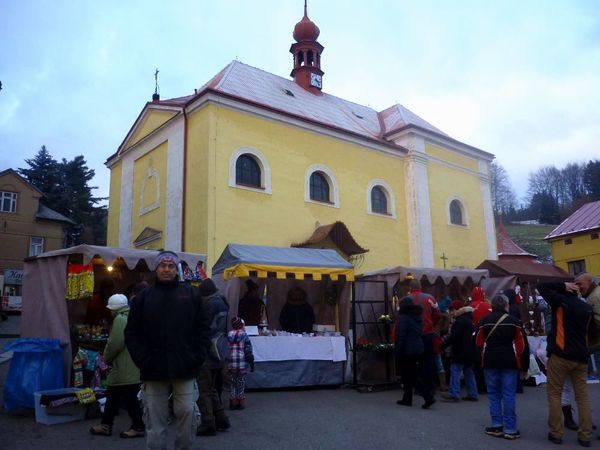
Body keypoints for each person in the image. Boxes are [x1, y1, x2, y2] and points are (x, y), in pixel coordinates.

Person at [125, 250, 210, 450]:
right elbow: (132, 333)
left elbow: (203, 330)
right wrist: (142, 359)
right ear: (156, 268)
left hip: (185, 367)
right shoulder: (143, 298)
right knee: (155, 421)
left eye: (171, 266)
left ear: (176, 269)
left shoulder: (191, 295)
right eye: (163, 265)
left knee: (188, 413)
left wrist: (196, 357)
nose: (167, 269)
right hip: (153, 369)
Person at [538, 281, 593, 447]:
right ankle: (585, 435)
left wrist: (562, 285)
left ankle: (556, 433)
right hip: (581, 356)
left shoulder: (560, 302)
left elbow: (542, 286)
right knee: (582, 397)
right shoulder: (586, 308)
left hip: (561, 354)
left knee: (554, 394)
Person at [89, 294, 145, 438]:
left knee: (127, 396)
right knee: (117, 395)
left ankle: (136, 426)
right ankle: (107, 424)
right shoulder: (133, 316)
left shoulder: (120, 319)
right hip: (131, 363)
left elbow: (115, 343)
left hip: (123, 365)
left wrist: (106, 357)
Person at [475, 294, 529, 441]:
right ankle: (511, 429)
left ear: (492, 305)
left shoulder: (484, 321)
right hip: (509, 361)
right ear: (506, 305)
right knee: (508, 395)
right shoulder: (515, 322)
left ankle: (497, 425)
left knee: (493, 395)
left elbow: (478, 342)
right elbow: (522, 347)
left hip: (490, 361)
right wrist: (524, 368)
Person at [196, 278, 231, 437]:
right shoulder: (222, 302)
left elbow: (204, 329)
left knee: (204, 390)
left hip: (207, 352)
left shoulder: (209, 305)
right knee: (212, 389)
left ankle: (208, 423)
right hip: (219, 351)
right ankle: (222, 419)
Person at [394, 296, 435, 409]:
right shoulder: (417, 317)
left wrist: (398, 351)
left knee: (410, 375)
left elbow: (401, 336)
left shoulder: (403, 318)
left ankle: (428, 397)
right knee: (410, 375)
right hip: (418, 347)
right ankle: (407, 398)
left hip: (408, 350)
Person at [441, 300, 479, 402]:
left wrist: (443, 345)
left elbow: (454, 337)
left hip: (461, 350)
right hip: (470, 350)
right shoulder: (468, 319)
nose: (451, 313)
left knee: (455, 369)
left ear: (458, 310)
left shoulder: (460, 321)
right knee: (468, 371)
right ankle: (473, 393)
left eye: (452, 310)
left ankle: (454, 393)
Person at [408, 279, 440, 400]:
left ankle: (418, 387)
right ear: (421, 287)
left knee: (414, 363)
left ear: (410, 288)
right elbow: (437, 313)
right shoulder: (430, 298)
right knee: (428, 363)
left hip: (413, 336)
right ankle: (429, 387)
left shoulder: (406, 300)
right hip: (427, 335)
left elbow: (399, 316)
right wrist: (432, 324)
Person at [227, 317, 255, 410]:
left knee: (232, 382)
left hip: (231, 363)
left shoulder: (229, 334)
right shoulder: (244, 335)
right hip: (241, 363)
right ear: (241, 325)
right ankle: (240, 402)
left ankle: (232, 402)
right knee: (241, 382)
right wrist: (251, 361)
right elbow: (248, 350)